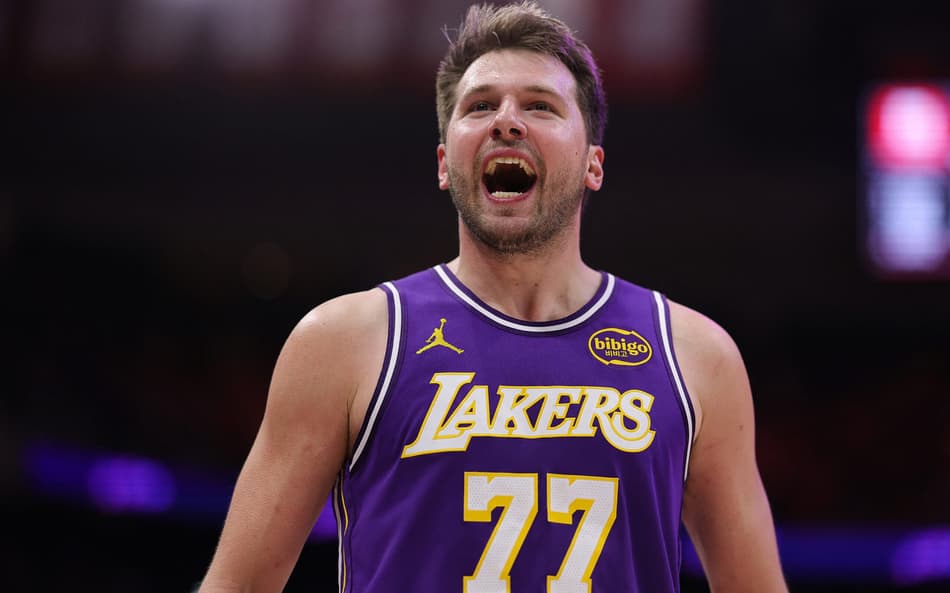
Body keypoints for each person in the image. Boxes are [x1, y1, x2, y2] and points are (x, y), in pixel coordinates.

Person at [197, 2, 788, 592]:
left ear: (593, 164)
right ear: (444, 165)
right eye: (480, 106)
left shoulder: (696, 356)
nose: (507, 122)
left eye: (540, 105)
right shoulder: (343, 342)